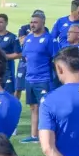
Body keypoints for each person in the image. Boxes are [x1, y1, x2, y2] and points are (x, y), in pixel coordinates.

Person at [18, 10, 56, 143]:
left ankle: (49, 135)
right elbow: (25, 56)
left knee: (46, 108)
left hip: (44, 79)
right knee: (33, 107)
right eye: (31, 22)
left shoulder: (49, 39)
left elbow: (55, 59)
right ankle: (34, 136)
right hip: (30, 79)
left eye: (35, 22)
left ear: (43, 23)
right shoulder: (28, 38)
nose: (32, 25)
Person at [0, 14, 21, 94]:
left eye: (1, 22)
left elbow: (19, 54)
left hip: (7, 71)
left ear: (6, 23)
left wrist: (3, 56)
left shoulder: (12, 37)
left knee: (8, 95)